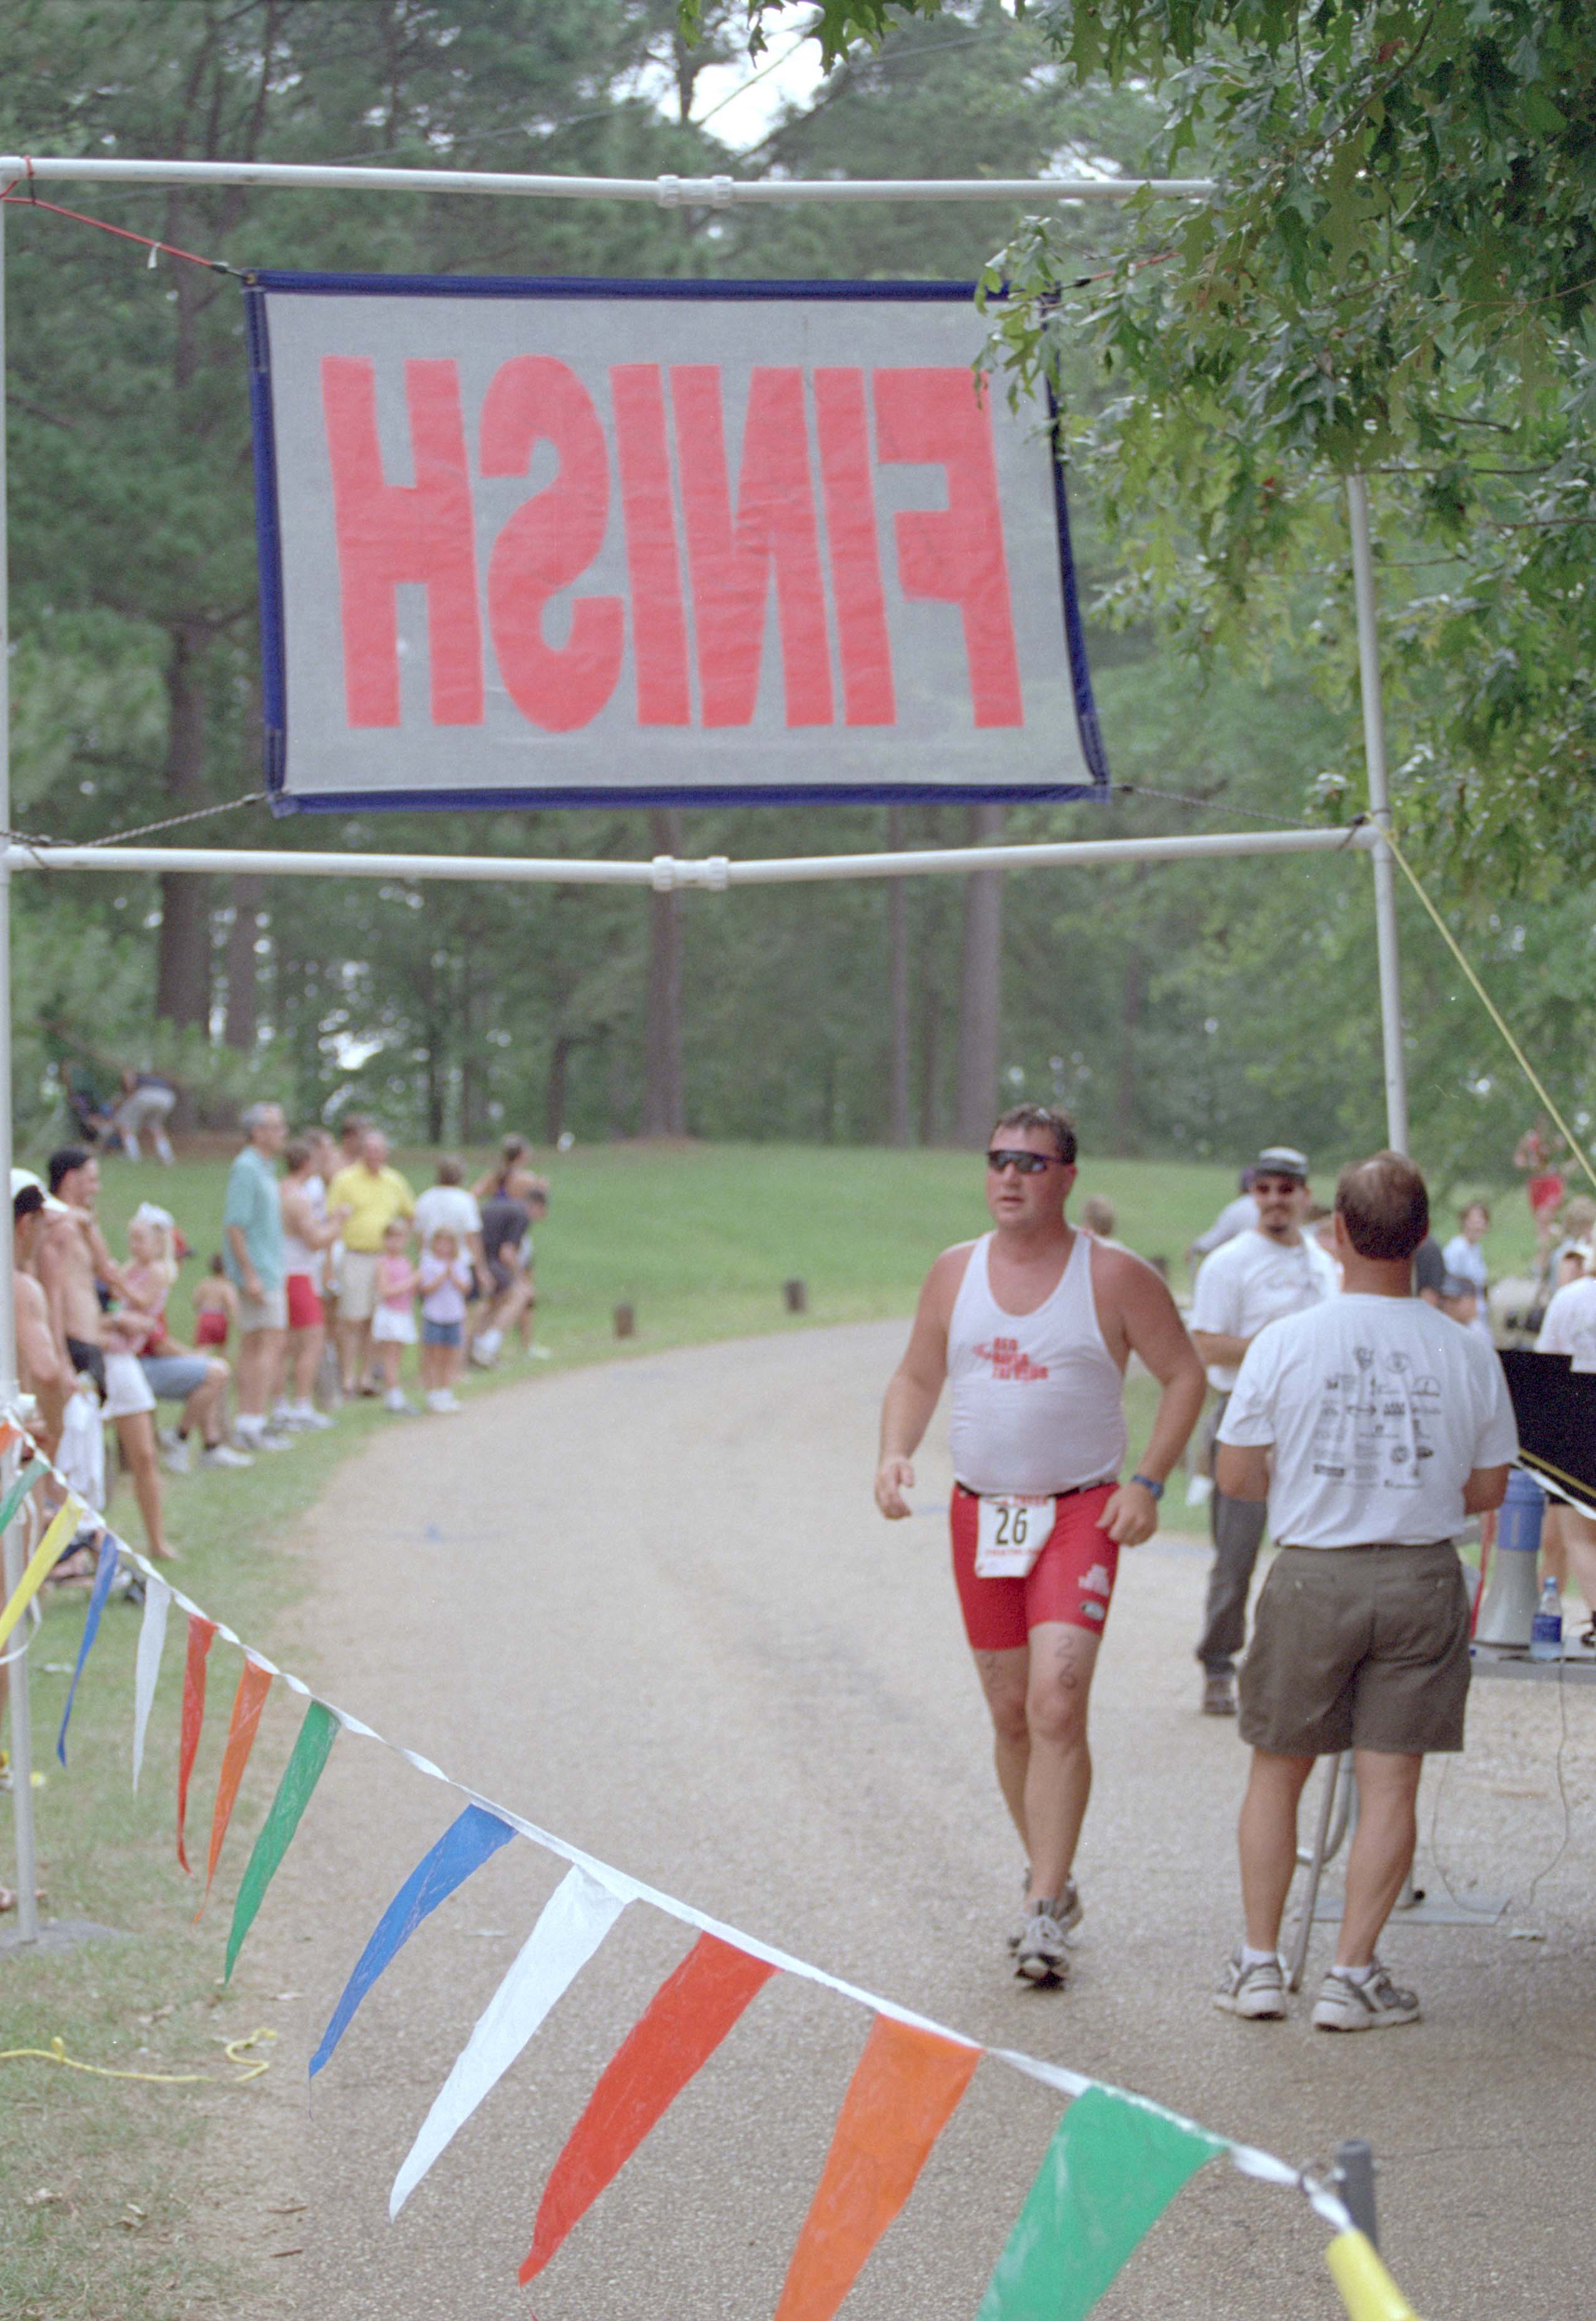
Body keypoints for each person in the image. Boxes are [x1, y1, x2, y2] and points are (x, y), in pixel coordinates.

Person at [875, 1104, 1205, 1987]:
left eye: (1031, 1162)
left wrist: (1148, 1481)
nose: (1010, 1175)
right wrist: (894, 1452)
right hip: (982, 1513)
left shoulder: (1115, 1276)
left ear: (1065, 1178)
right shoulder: (954, 1272)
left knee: (1058, 1698)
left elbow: (1184, 1374)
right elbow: (916, 1372)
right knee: (1011, 1710)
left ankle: (1040, 1909)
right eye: (997, 1160)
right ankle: (1051, 1879)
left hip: (1078, 1510)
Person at [1212, 1151, 1516, 2030]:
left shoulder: (1284, 1341)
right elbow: (1490, 1489)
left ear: (1334, 1232)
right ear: (1421, 1238)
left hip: (1312, 1568)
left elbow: (1236, 1476)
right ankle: (1350, 1973)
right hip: (1422, 1574)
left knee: (1278, 1770)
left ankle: (1261, 1964)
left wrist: (1315, 1483)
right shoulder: (1466, 1351)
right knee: (1390, 1784)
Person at [1188, 1147, 1339, 1715]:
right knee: (1236, 1551)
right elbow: (1207, 1344)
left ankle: (1301, 1667)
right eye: (1265, 1190)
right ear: (1253, 1195)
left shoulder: (1323, 1264)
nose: (1275, 1201)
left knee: (1311, 1548)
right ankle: (1219, 1662)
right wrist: (1284, 1345)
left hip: (1311, 1418)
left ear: (1304, 1195)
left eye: (1286, 1189)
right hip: (1245, 1414)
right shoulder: (1228, 1262)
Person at [36, 1146, 175, 1561]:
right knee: (75, 1458)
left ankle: (143, 1543)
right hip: (79, 1346)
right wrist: (61, 1352)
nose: (96, 1187)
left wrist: (141, 1301)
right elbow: (55, 1290)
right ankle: (77, 1553)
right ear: (72, 1179)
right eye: (91, 1179)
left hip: (99, 1348)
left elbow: (107, 1272)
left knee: (117, 1454)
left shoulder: (79, 1223)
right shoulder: (55, 1226)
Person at [121, 1207, 245, 1471]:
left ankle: (211, 1445)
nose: (181, 1265)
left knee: (205, 1373)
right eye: (179, 1258)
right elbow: (158, 1343)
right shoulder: (151, 1283)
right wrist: (192, 1355)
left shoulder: (139, 1279)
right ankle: (180, 1438)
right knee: (213, 1373)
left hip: (141, 1362)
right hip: (140, 1365)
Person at [222, 1102, 292, 1452]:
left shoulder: (264, 1168)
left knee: (259, 1344)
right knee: (266, 1344)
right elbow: (235, 1225)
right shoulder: (247, 1168)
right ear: (257, 1131)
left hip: (268, 1267)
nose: (283, 1133)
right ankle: (252, 1420)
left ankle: (250, 1420)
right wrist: (250, 1274)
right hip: (260, 1272)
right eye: (277, 1127)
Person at [1535, 1259, 1596, 1648]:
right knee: (1556, 1534)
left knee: (1579, 1534)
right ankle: (1545, 1613)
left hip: (1576, 1411)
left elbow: (1547, 1362)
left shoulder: (1571, 1298)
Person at [327, 1128, 415, 1396]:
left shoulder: (394, 1181)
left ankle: (367, 1376)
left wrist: (402, 1242)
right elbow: (333, 1220)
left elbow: (410, 1213)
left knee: (377, 1320)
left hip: (384, 1258)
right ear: (362, 1151)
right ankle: (347, 1377)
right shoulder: (345, 1179)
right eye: (371, 1150)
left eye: (380, 1150)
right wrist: (330, 1264)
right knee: (352, 1318)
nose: (376, 1155)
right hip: (356, 1255)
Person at [278, 1134, 346, 1432]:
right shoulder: (298, 1198)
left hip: (282, 1272)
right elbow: (316, 1241)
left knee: (285, 1344)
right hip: (298, 1274)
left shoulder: (279, 1190)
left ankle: (281, 1406)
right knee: (312, 1341)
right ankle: (302, 1405)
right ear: (307, 1163)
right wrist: (339, 1221)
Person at [418, 1227, 473, 1412]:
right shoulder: (428, 1264)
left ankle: (445, 1390)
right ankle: (432, 1392)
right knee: (433, 1354)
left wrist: (453, 1275)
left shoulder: (459, 1264)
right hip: (434, 1314)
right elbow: (425, 1290)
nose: (444, 1247)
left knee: (450, 1355)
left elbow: (466, 1288)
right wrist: (442, 1276)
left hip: (453, 1315)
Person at [369, 1218, 419, 1414]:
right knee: (389, 1357)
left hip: (403, 1313)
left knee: (396, 1357)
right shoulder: (383, 1263)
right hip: (390, 1314)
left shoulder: (406, 1262)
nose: (397, 1242)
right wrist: (412, 1281)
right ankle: (394, 1396)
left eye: (401, 1238)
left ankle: (392, 1392)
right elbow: (385, 1290)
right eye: (393, 1238)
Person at [413, 1156, 485, 1279]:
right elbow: (472, 1237)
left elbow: (420, 1235)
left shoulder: (425, 1198)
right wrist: (481, 1269)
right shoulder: (466, 1200)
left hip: (431, 1262)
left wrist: (423, 1257)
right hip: (461, 1262)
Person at [1187, 1169, 1259, 1274]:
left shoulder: (1237, 1208)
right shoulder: (1275, 1208)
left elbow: (1212, 1242)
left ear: (1241, 1188)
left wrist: (1194, 1247)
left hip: (1245, 1270)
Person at [1442, 1201, 1493, 1343]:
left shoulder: (1476, 1249)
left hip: (1478, 1314)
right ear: (1464, 1222)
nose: (1478, 1226)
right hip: (1464, 1320)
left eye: (1481, 1221)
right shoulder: (1456, 1250)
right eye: (1474, 1221)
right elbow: (1449, 1290)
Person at [112, 1067, 177, 1164]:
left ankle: (133, 1157)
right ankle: (167, 1157)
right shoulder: (151, 1077)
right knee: (155, 1126)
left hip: (146, 1095)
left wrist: (125, 1098)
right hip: (168, 1097)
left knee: (124, 1125)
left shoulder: (131, 1071)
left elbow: (129, 1082)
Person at [193, 1254, 237, 1352]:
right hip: (220, 1318)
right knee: (223, 1350)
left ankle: (197, 1365)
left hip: (205, 1316)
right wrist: (233, 1319)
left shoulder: (205, 1283)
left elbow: (196, 1299)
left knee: (202, 1349)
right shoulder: (226, 1286)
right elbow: (231, 1304)